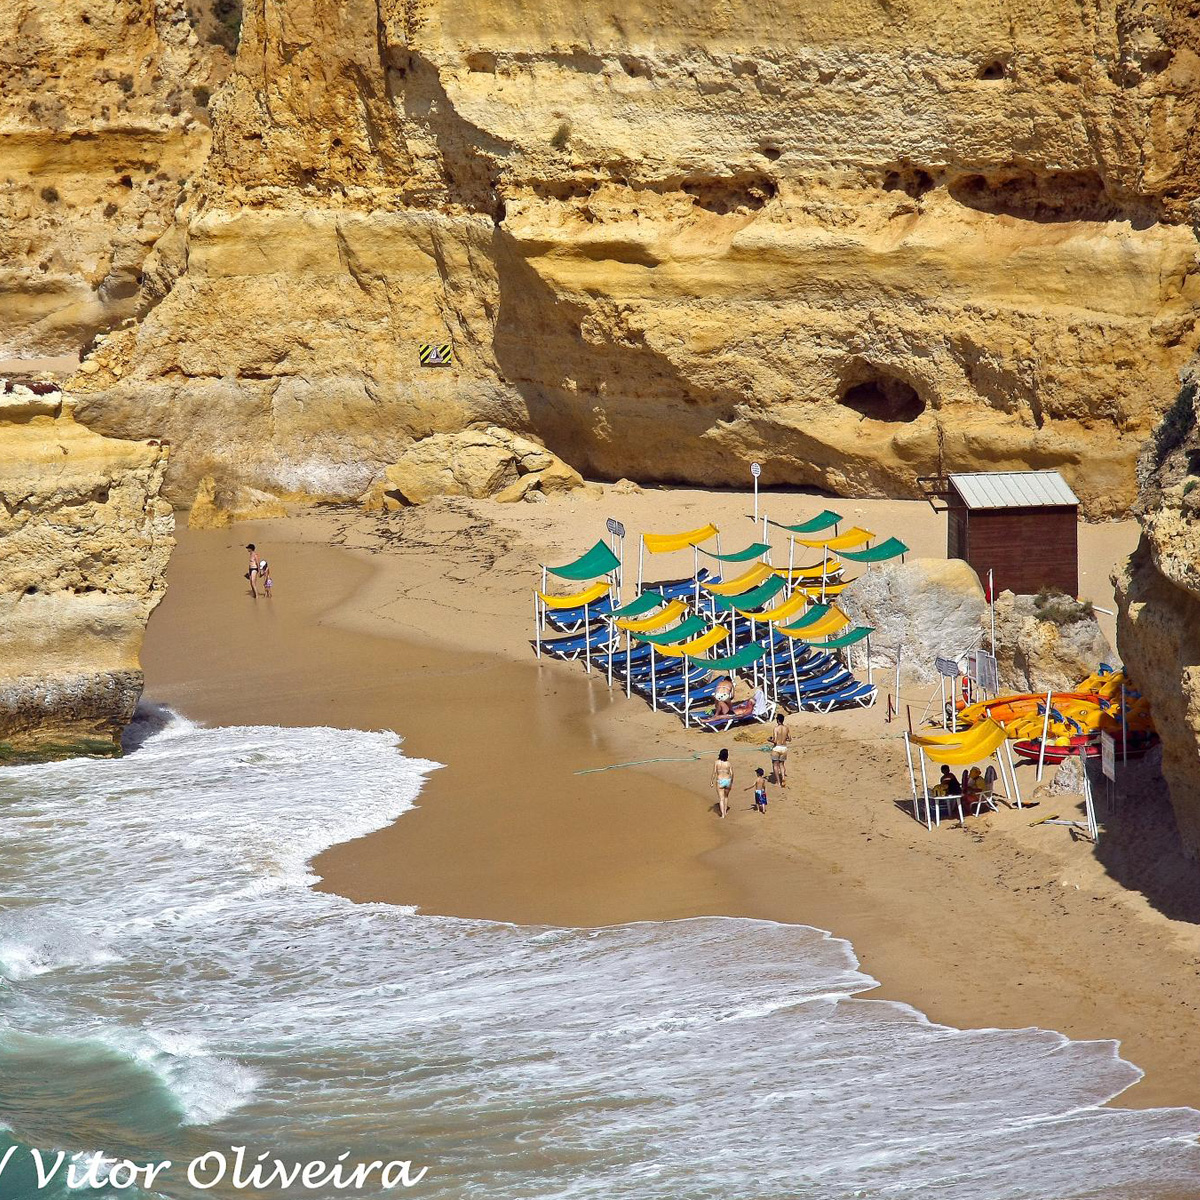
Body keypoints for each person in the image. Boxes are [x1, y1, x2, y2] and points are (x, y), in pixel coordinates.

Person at [766, 712, 790, 787]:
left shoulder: (776, 728)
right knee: (782, 764)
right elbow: (789, 739)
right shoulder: (786, 728)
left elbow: (775, 741)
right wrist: (784, 738)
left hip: (777, 747)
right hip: (784, 747)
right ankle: (783, 778)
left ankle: (778, 782)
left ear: (778, 720)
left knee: (775, 765)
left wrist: (769, 739)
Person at [711, 748, 734, 818]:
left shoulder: (717, 762)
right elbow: (732, 773)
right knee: (726, 797)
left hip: (720, 780)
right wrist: (731, 781)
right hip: (727, 780)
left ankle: (723, 814)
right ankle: (725, 811)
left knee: (721, 798)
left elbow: (714, 773)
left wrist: (711, 781)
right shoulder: (728, 763)